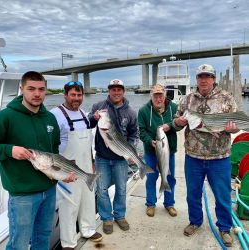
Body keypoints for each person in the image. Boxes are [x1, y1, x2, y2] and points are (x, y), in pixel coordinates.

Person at [173, 64, 239, 247]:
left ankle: (225, 227)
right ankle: (195, 221)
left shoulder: (226, 98)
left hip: (220, 157)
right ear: (197, 79)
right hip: (193, 157)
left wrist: (236, 127)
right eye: (201, 76)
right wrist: (178, 122)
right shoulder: (187, 100)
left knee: (223, 195)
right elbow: (177, 122)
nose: (204, 80)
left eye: (208, 76)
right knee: (193, 194)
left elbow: (238, 123)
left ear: (213, 78)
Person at [0, 71, 66, 250]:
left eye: (41, 89)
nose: (37, 94)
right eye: (31, 89)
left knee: (43, 238)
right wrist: (9, 150)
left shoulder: (50, 118)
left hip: (49, 189)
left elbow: (55, 150)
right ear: (22, 89)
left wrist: (59, 174)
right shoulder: (5, 117)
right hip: (22, 193)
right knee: (19, 243)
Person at [50, 81, 103, 249]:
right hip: (66, 167)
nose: (76, 98)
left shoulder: (83, 114)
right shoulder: (55, 114)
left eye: (79, 95)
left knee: (87, 200)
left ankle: (88, 229)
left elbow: (88, 142)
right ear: (65, 95)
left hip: (86, 164)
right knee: (68, 205)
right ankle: (68, 242)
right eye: (72, 94)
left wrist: (92, 162)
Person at [89, 79, 139, 234]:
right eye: (113, 89)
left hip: (120, 159)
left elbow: (134, 134)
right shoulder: (99, 106)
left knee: (122, 189)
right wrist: (94, 118)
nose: (116, 92)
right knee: (101, 189)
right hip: (102, 157)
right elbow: (89, 123)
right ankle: (106, 218)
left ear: (123, 91)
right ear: (108, 91)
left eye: (119, 89)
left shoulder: (130, 112)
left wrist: (130, 151)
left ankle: (119, 216)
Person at [138, 84, 178, 218]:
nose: (158, 98)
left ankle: (169, 204)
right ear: (151, 96)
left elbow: (180, 123)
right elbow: (141, 131)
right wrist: (150, 141)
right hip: (151, 152)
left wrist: (170, 125)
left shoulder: (174, 108)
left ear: (164, 95)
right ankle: (150, 204)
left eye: (160, 95)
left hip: (168, 151)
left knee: (170, 177)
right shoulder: (144, 111)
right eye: (155, 95)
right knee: (151, 178)